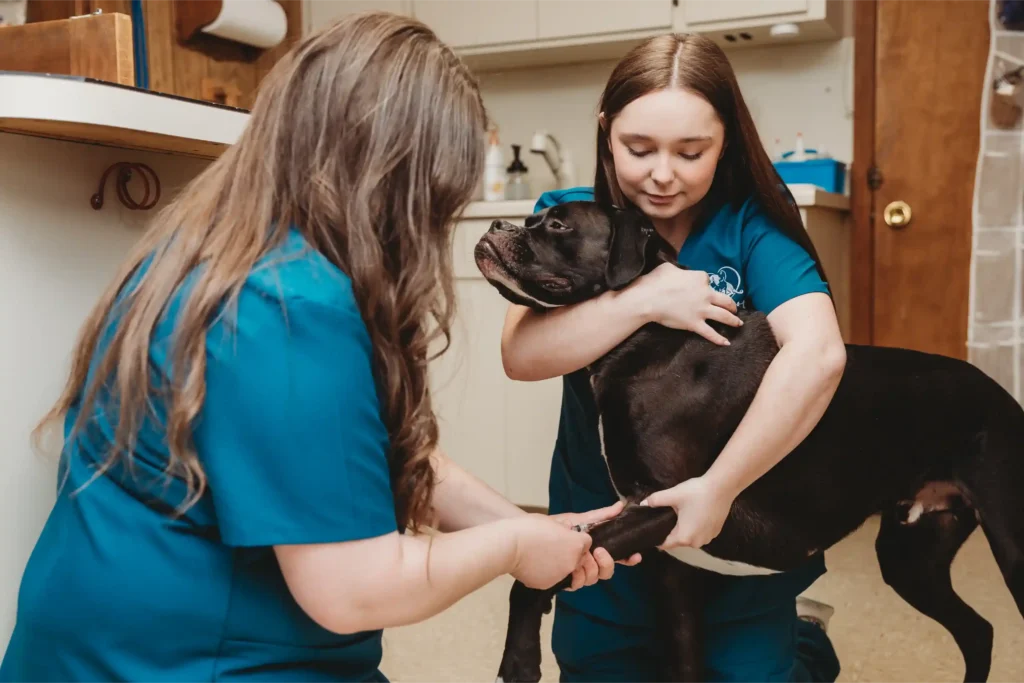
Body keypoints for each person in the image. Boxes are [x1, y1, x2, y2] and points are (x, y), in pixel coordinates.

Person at [0, 12, 636, 683]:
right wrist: (511, 545)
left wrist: (536, 529)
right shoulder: (291, 312)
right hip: (174, 665)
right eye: (438, 202)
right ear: (392, 184)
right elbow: (352, 589)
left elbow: (364, 458)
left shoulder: (225, 255)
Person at [501, 33, 847, 683]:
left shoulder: (751, 225)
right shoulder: (569, 218)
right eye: (639, 149)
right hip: (604, 524)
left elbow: (820, 353)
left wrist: (719, 489)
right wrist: (645, 300)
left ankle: (806, 644)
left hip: (735, 521)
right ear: (607, 133)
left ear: (728, 142)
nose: (663, 173)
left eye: (692, 152)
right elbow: (521, 353)